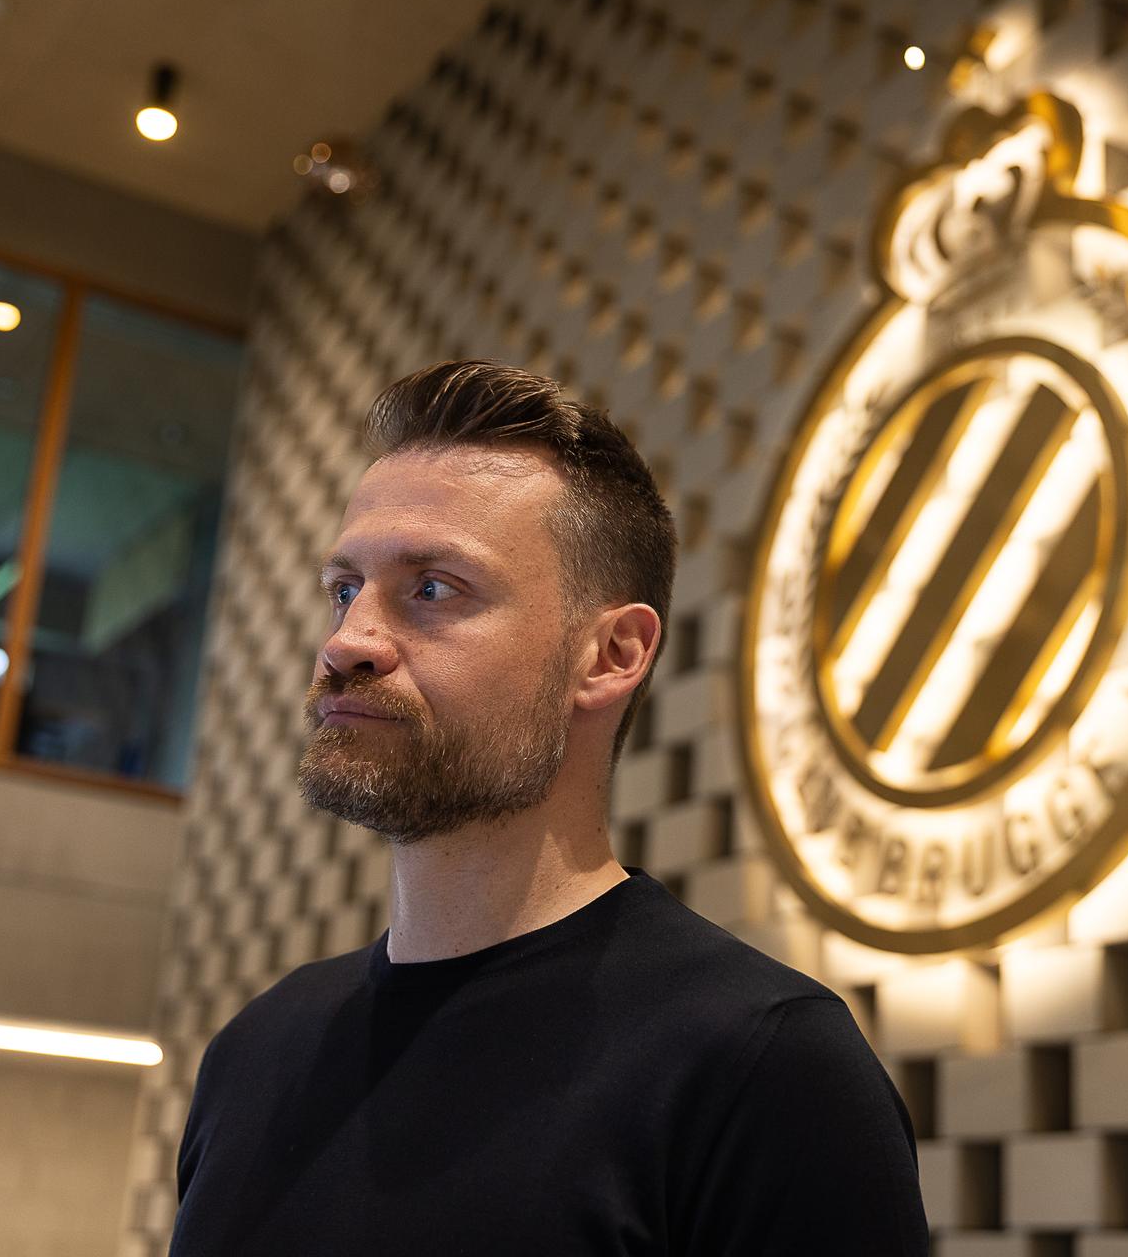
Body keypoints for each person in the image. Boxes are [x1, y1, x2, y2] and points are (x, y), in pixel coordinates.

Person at [169, 360, 928, 1254]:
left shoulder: (761, 1067)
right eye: (345, 589)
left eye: (432, 589)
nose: (348, 643)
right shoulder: (256, 1053)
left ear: (610, 654)